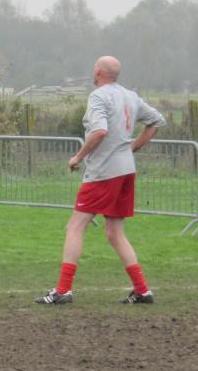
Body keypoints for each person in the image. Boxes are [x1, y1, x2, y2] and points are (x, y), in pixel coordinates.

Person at [36, 55, 166, 305]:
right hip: (126, 171)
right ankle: (142, 290)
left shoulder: (98, 97)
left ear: (97, 72)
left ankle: (63, 290)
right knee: (114, 232)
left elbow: (99, 132)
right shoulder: (130, 96)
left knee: (75, 227)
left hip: (104, 172)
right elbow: (157, 121)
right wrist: (132, 147)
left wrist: (78, 157)